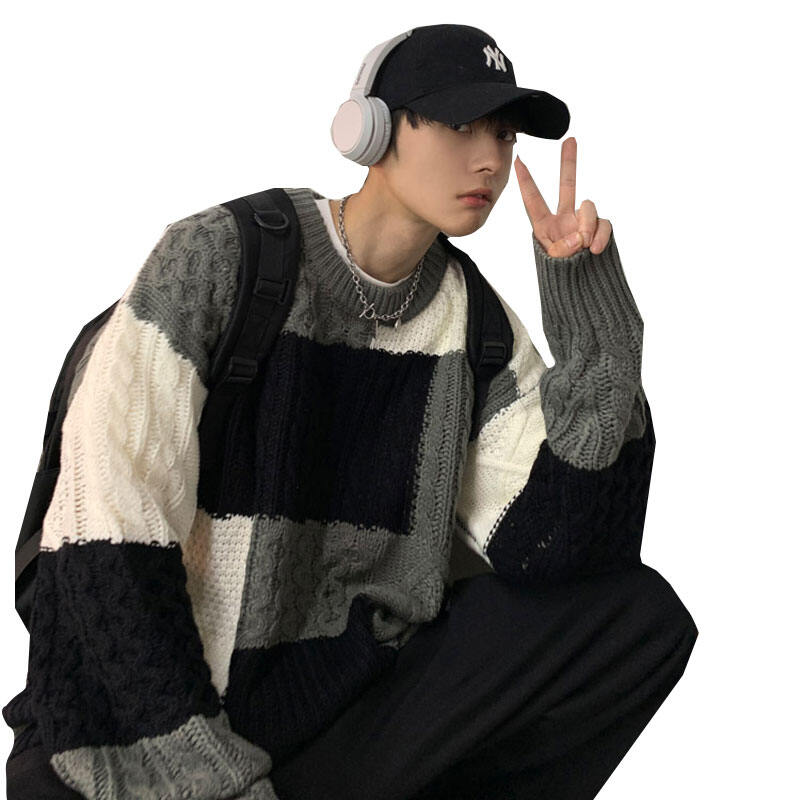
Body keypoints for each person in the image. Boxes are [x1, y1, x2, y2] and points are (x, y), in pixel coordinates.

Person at [3, 23, 698, 800]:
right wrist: (209, 777)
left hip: (321, 715)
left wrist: (591, 317)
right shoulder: (218, 259)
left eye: (504, 134)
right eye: (462, 125)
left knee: (637, 620)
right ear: (371, 129)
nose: (490, 160)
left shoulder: (472, 322)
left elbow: (561, 551)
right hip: (147, 719)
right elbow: (106, 550)